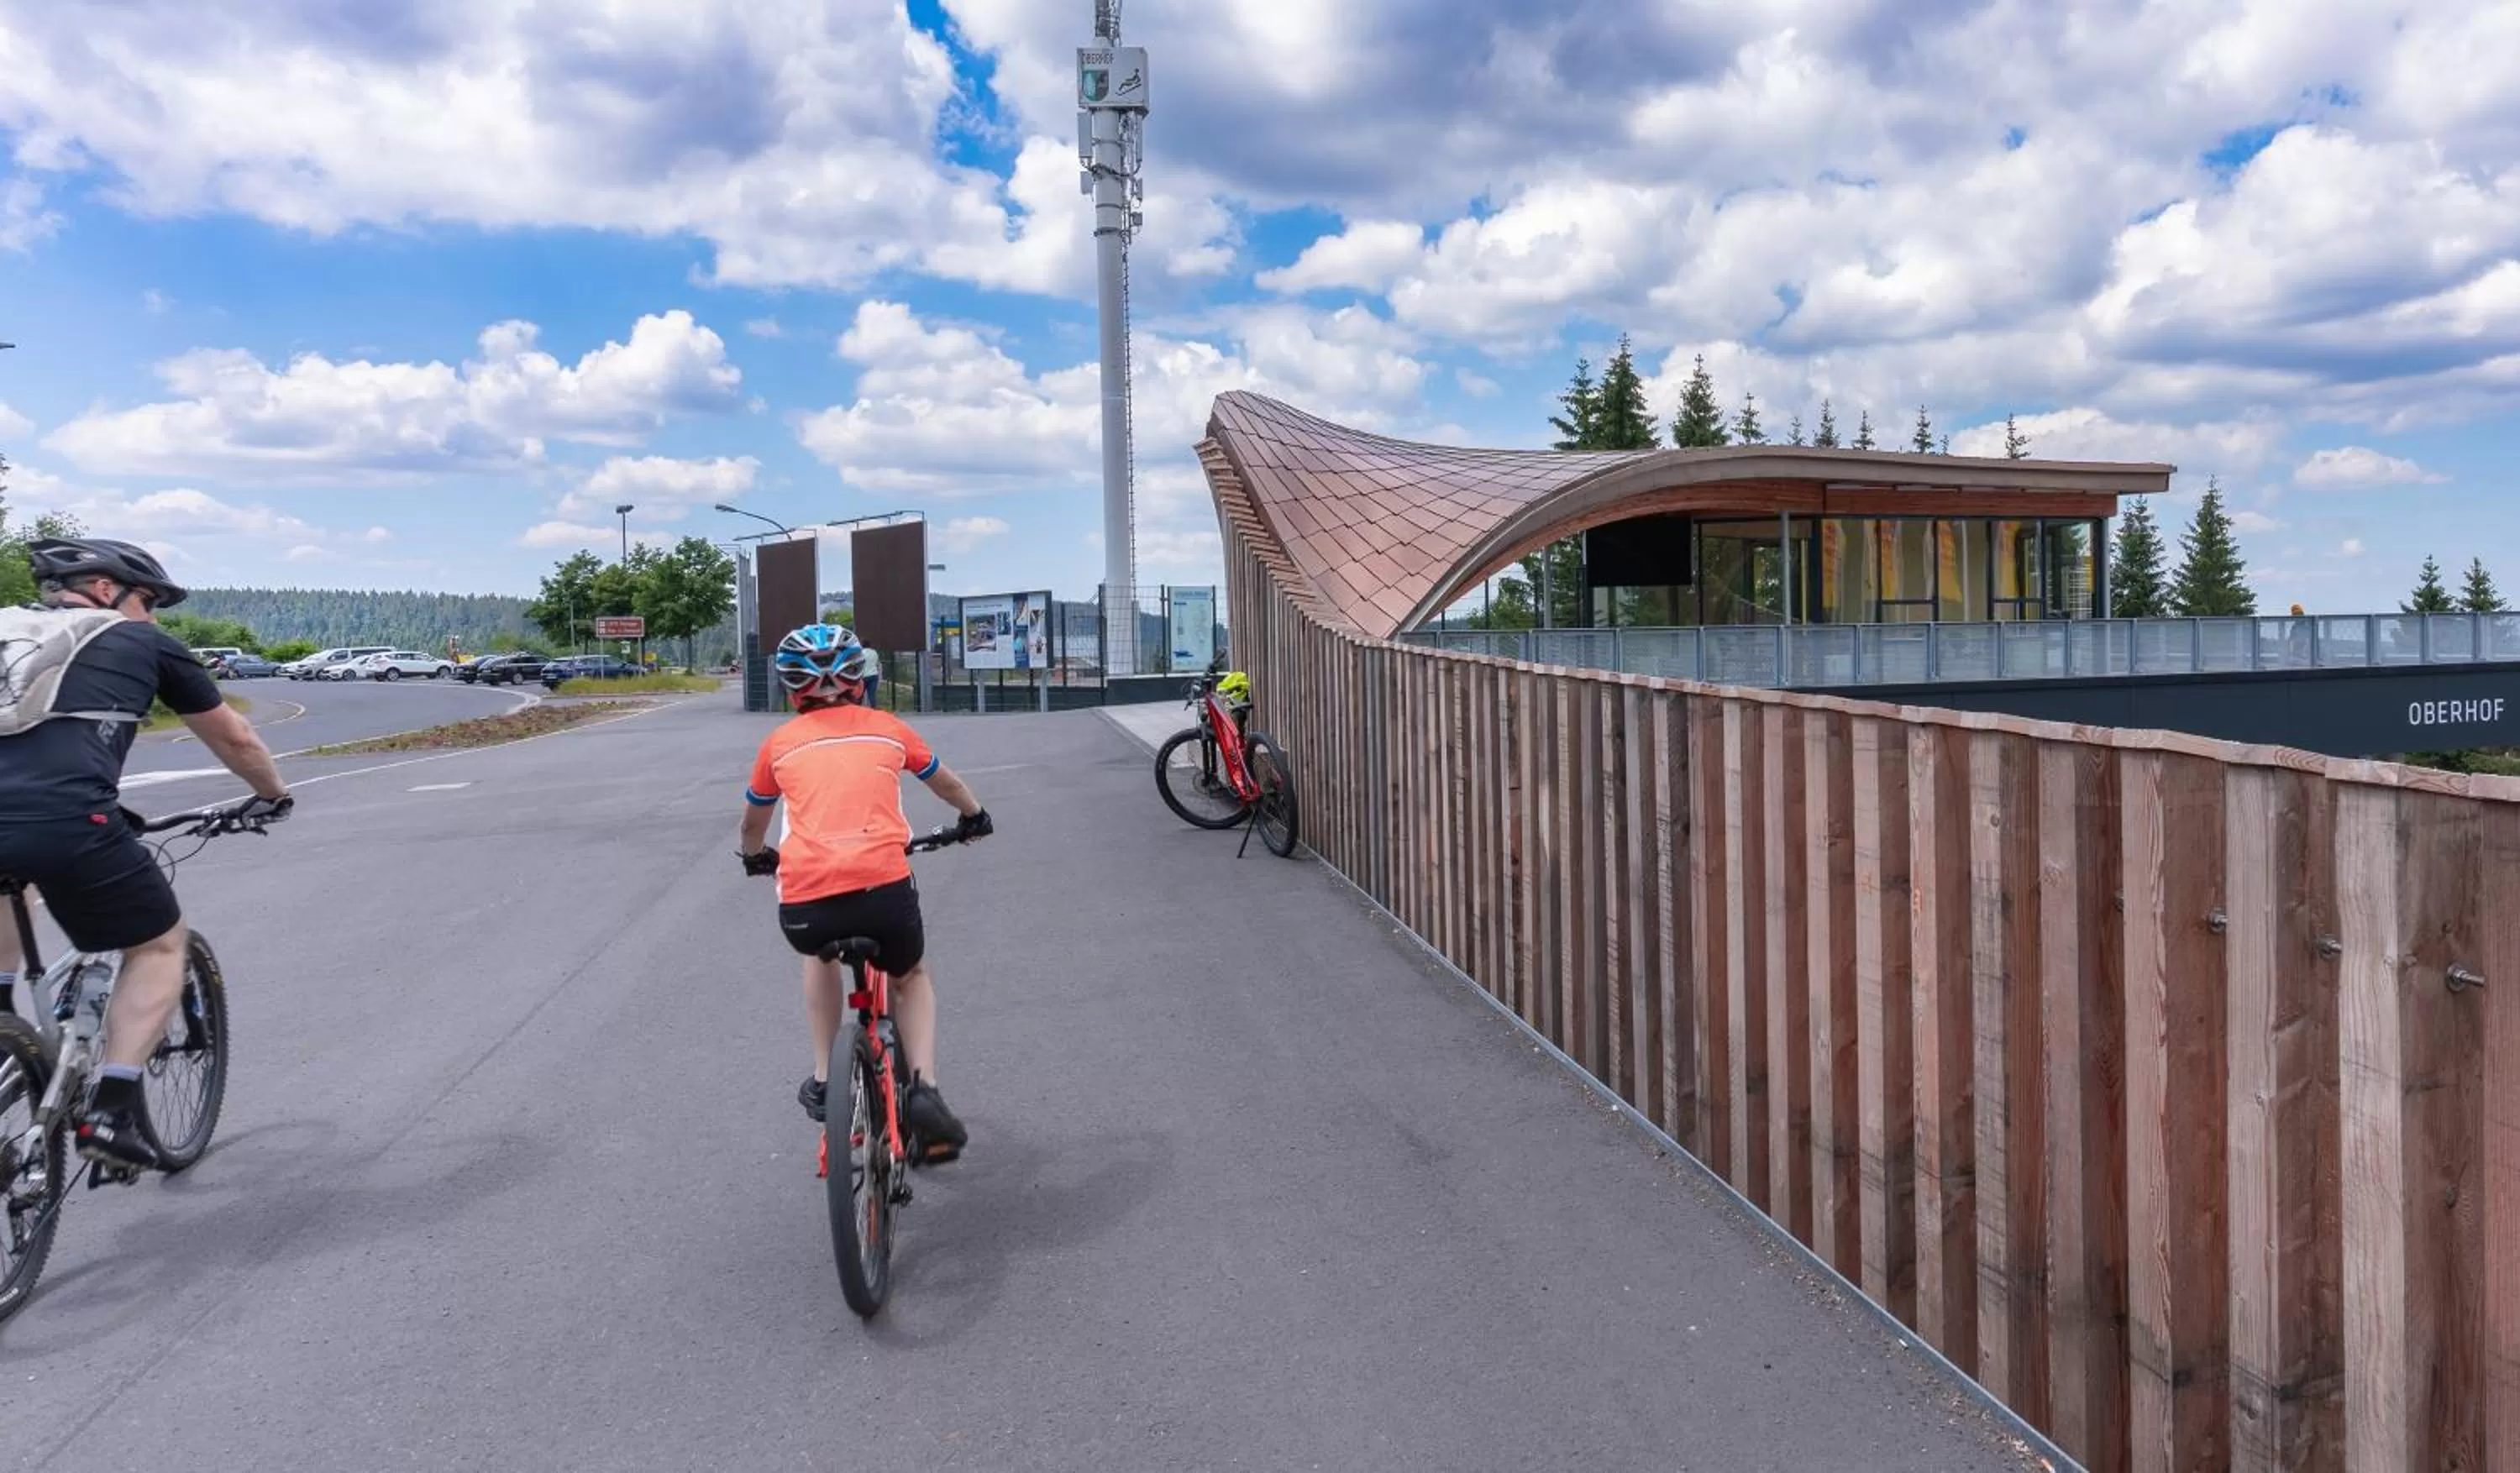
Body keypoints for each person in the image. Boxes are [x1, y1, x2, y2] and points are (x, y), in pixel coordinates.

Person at [0, 537, 292, 1172]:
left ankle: (3, 1024)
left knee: (12, 875)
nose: (154, 617)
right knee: (160, 944)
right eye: (150, 601)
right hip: (67, 821)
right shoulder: (142, 643)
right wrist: (272, 796)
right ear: (107, 590)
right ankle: (112, 1110)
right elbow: (235, 737)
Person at [735, 624, 990, 1161]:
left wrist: (757, 858)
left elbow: (753, 822)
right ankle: (924, 1088)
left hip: (807, 903)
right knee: (912, 976)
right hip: (883, 888)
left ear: (791, 688)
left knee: (818, 957)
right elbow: (944, 782)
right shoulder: (887, 728)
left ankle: (828, 1076)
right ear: (860, 679)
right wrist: (973, 816)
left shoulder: (778, 744)